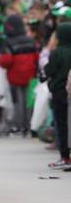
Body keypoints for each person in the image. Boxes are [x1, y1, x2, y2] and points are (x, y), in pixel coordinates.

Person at [0, 14, 39, 135]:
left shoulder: (8, 42)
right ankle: (28, 125)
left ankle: (18, 125)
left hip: (14, 77)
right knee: (29, 101)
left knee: (17, 102)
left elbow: (6, 61)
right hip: (30, 76)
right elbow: (37, 58)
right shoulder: (31, 41)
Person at [44, 22, 71, 169]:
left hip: (60, 92)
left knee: (61, 124)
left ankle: (65, 156)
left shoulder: (58, 52)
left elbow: (48, 71)